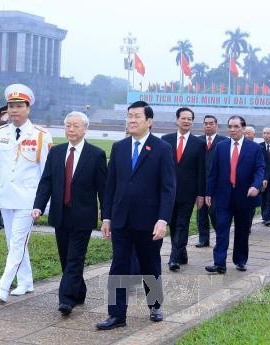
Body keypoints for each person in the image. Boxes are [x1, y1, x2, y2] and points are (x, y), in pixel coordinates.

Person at [97, 101, 176, 330]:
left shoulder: (161, 149)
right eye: (129, 116)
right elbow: (111, 185)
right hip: (121, 219)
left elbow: (168, 188)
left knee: (149, 264)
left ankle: (155, 304)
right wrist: (107, 217)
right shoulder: (119, 147)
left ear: (149, 121)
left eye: (136, 117)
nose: (131, 120)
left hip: (149, 221)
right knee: (118, 265)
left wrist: (163, 219)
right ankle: (116, 315)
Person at [0, 84, 53, 303]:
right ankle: (26, 281)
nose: (14, 110)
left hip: (29, 200)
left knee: (18, 242)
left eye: (19, 106)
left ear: (28, 108)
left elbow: (47, 173)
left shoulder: (41, 136)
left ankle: (3, 285)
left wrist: (46, 202)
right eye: (11, 106)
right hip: (5, 197)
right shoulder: (0, 134)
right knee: (14, 243)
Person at [32, 111, 107, 316]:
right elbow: (46, 181)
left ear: (85, 129)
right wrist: (39, 205)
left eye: (76, 126)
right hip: (60, 214)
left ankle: (66, 300)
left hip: (83, 216)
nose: (71, 129)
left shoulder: (96, 154)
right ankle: (79, 291)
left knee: (75, 257)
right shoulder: (56, 152)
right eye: (68, 126)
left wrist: (106, 216)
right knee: (66, 258)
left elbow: (104, 189)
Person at [205, 115, 264, 273]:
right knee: (222, 229)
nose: (232, 130)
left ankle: (240, 260)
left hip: (245, 196)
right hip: (224, 196)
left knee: (242, 231)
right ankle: (219, 263)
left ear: (243, 129)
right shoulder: (221, 147)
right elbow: (213, 172)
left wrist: (256, 186)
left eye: (236, 126)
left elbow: (260, 170)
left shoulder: (254, 148)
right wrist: (208, 193)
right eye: (230, 126)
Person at [162, 107, 205, 271]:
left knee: (182, 224)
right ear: (177, 120)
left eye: (189, 119)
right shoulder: (166, 140)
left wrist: (201, 194)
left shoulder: (199, 143)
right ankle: (182, 253)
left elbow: (201, 170)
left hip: (188, 193)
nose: (186, 121)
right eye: (184, 118)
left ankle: (174, 258)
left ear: (192, 122)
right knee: (172, 224)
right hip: (167, 192)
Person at [195, 115, 226, 247]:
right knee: (200, 211)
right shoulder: (197, 141)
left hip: (216, 183)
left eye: (211, 123)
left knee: (214, 212)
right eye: (206, 123)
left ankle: (220, 235)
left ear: (216, 125)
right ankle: (203, 238)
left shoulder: (223, 141)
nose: (208, 126)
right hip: (200, 182)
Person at [259, 127, 270, 227]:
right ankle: (264, 216)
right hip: (261, 176)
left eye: (268, 133)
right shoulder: (259, 146)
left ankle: (267, 218)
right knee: (263, 198)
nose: (266, 135)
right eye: (264, 133)